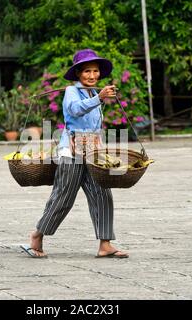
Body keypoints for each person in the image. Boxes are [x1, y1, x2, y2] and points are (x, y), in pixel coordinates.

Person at [20, 49, 129, 259]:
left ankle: (105, 244)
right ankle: (37, 235)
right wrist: (99, 97)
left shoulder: (92, 93)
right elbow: (75, 111)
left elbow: (94, 125)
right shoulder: (72, 91)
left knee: (102, 194)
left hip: (93, 151)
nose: (92, 75)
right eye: (87, 71)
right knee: (63, 197)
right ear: (78, 73)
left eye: (95, 71)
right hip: (71, 152)